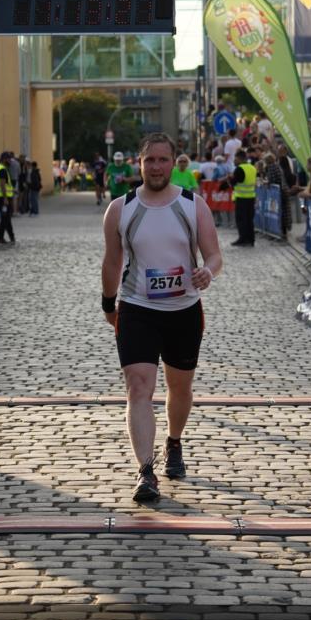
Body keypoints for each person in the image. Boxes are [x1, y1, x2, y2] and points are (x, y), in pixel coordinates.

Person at [101, 132, 222, 504]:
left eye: (163, 160)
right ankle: (145, 471)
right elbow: (112, 260)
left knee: (179, 389)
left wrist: (207, 273)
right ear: (139, 163)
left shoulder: (192, 205)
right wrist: (109, 303)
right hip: (137, 308)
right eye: (149, 160)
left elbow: (214, 255)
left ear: (174, 163)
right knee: (138, 388)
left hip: (184, 311)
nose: (156, 167)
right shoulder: (120, 209)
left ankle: (174, 442)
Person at [229, 149, 257, 247]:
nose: (234, 161)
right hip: (251, 197)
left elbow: (235, 182)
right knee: (249, 219)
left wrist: (231, 178)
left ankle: (243, 239)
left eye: (235, 159)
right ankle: (251, 239)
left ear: (240, 158)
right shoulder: (252, 167)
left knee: (241, 220)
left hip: (241, 198)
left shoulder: (239, 169)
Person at [0, 151, 15, 244]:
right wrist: (5, 198)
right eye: (9, 159)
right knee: (5, 218)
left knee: (7, 218)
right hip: (2, 198)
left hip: (0, 196)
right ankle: (0, 238)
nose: (10, 161)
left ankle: (11, 237)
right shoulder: (2, 169)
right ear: (4, 159)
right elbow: (2, 184)